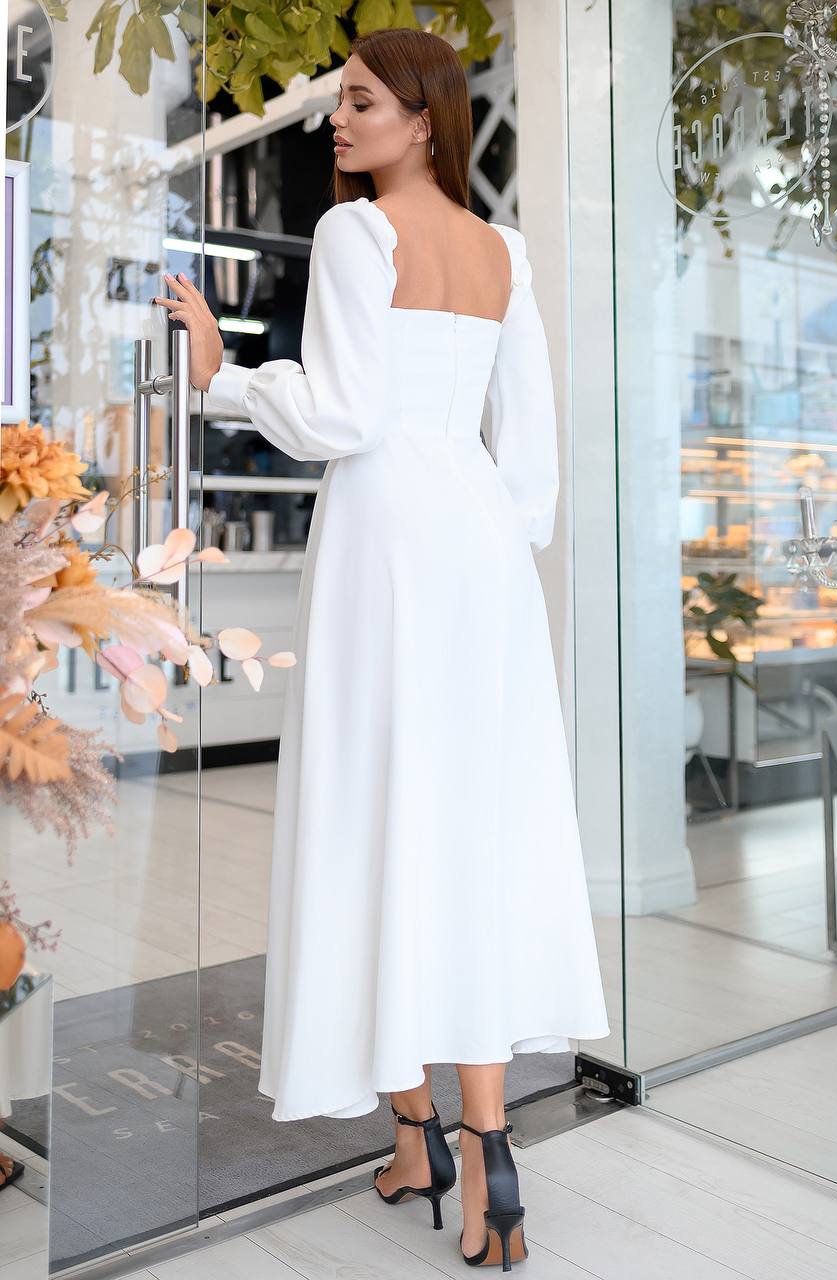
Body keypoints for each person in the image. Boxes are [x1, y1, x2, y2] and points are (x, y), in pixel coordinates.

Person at [155, 26, 610, 1271]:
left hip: (386, 540)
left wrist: (223, 381)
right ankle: (475, 1152)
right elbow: (533, 457)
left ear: (421, 118)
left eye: (358, 104)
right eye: (337, 105)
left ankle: (422, 1140)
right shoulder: (503, 249)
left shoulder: (359, 233)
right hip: (480, 553)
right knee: (465, 828)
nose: (336, 126)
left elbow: (344, 415)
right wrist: (494, 551)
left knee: (379, 820)